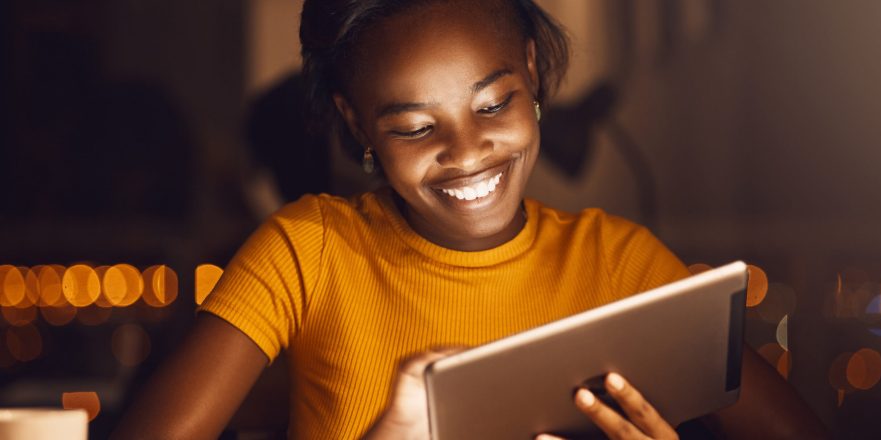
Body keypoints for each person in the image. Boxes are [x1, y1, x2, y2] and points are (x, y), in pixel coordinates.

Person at [113, 0, 829, 438]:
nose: (467, 152)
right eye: (415, 127)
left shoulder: (618, 262)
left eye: (492, 106)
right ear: (356, 123)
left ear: (531, 73)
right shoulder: (309, 250)